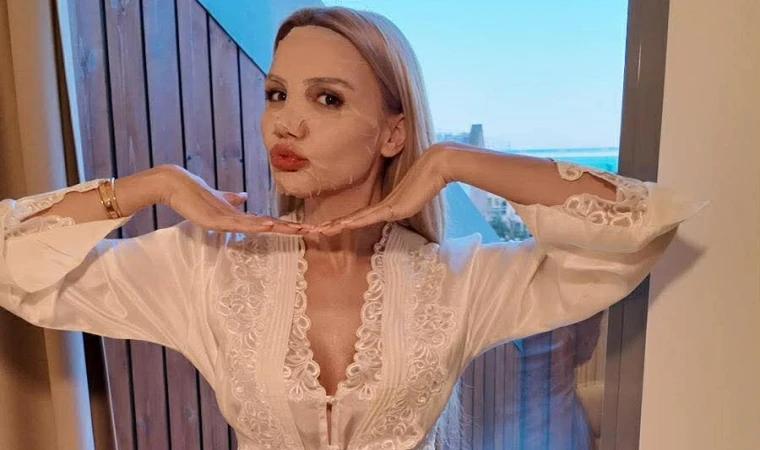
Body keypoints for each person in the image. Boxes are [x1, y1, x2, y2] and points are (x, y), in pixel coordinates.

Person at [0, 6, 704, 450]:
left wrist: (454, 161)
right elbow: (12, 261)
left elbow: (638, 228)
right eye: (276, 93)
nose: (286, 122)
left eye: (327, 99)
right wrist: (150, 186)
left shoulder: (458, 280)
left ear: (393, 133)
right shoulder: (202, 268)